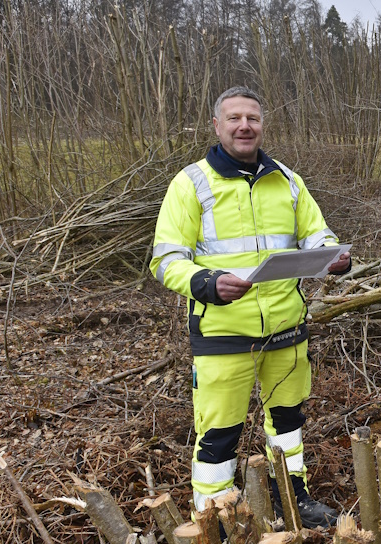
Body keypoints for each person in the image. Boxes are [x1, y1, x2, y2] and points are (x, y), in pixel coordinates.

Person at [149, 86, 350, 528]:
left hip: (286, 331)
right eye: (235, 118)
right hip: (223, 333)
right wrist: (205, 282)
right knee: (219, 434)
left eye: (253, 118)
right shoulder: (191, 183)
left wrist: (332, 254)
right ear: (216, 126)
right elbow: (164, 261)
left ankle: (290, 500)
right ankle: (214, 521)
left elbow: (317, 234)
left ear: (262, 125)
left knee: (288, 424)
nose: (245, 126)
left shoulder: (288, 180)